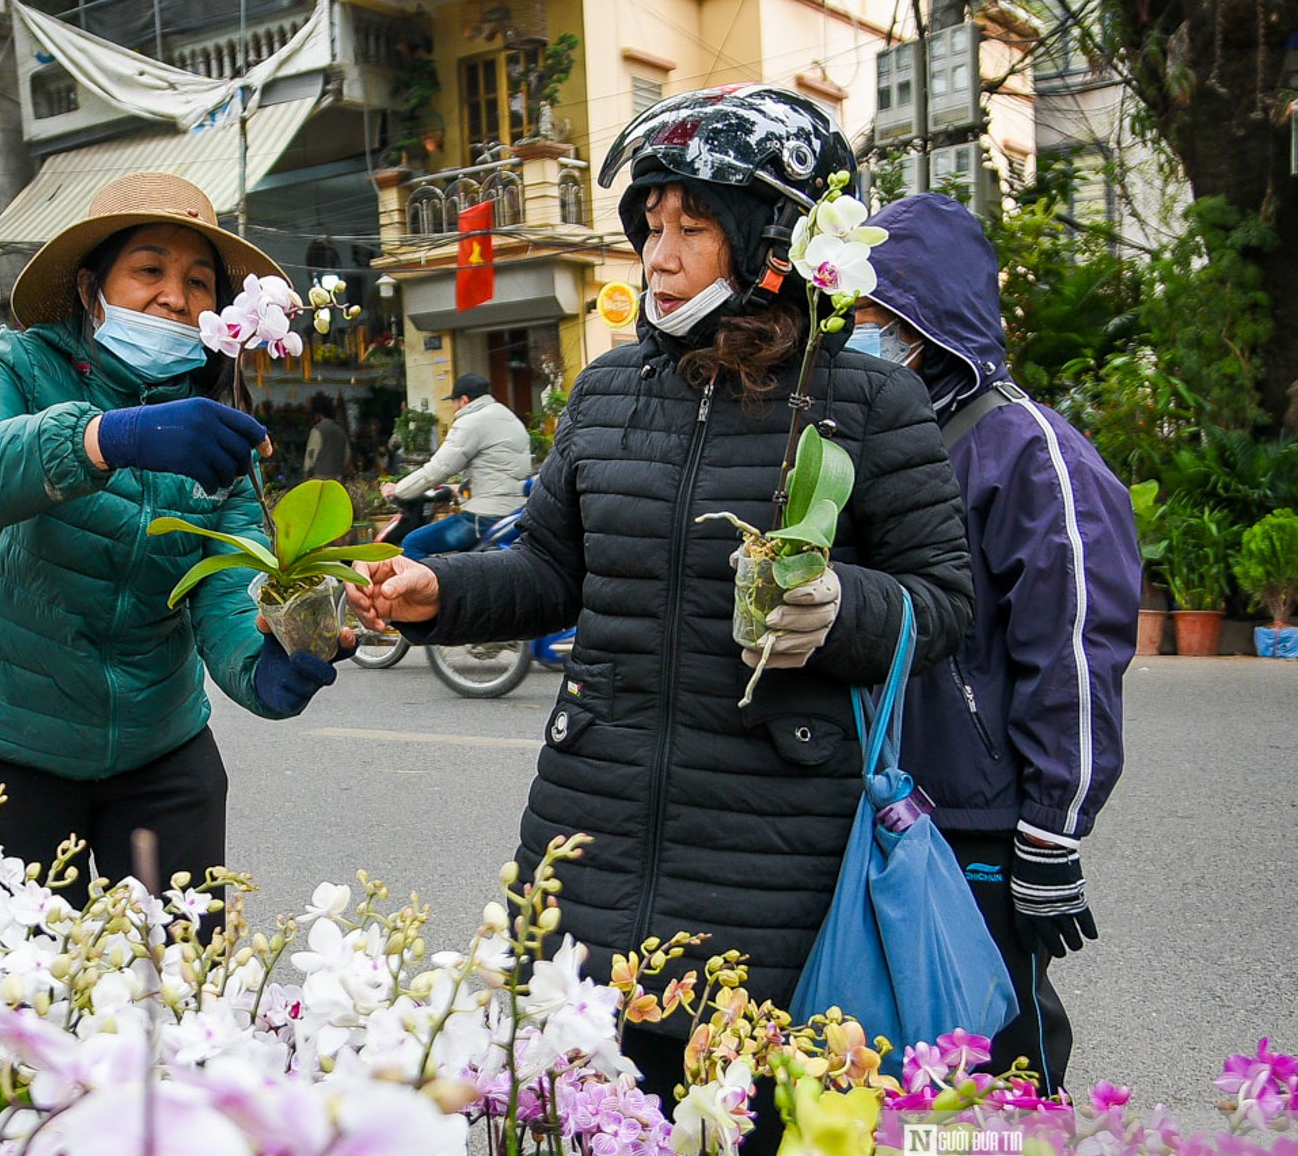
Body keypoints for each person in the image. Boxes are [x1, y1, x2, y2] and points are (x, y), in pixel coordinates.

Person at [349, 85, 974, 1104]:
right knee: (583, 1132)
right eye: (650, 225)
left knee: (747, 1147)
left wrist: (836, 606)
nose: (659, 255)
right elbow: (549, 571)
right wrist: (438, 592)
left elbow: (943, 602)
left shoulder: (866, 399)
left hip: (774, 848)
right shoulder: (606, 393)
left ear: (771, 238)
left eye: (693, 228)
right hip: (588, 823)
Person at [0, 171, 346, 902]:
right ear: (91, 286)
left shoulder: (212, 423)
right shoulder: (18, 367)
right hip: (12, 741)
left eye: (198, 281)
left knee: (179, 980)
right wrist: (106, 437)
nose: (174, 297)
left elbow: (224, 581)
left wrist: (267, 661)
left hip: (160, 746)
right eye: (149, 269)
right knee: (28, 993)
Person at [859, 193, 1141, 1092]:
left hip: (979, 817)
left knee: (993, 1062)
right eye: (856, 317)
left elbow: (1075, 655)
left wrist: (1052, 835)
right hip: (879, 800)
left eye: (879, 318)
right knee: (884, 1053)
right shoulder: (886, 439)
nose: (862, 336)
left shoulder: (1027, 452)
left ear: (930, 322)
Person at [379, 372, 531, 559]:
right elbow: (497, 467)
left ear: (464, 400)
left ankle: (430, 588)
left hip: (484, 516)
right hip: (514, 511)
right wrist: (459, 489)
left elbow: (439, 469)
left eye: (454, 402)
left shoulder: (472, 421)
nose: (453, 407)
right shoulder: (508, 417)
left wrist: (399, 490)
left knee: (413, 543)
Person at [302, 393, 349, 480]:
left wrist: (307, 471)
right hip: (337, 476)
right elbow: (347, 454)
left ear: (317, 413)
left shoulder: (317, 430)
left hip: (319, 476)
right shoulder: (341, 430)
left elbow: (311, 453)